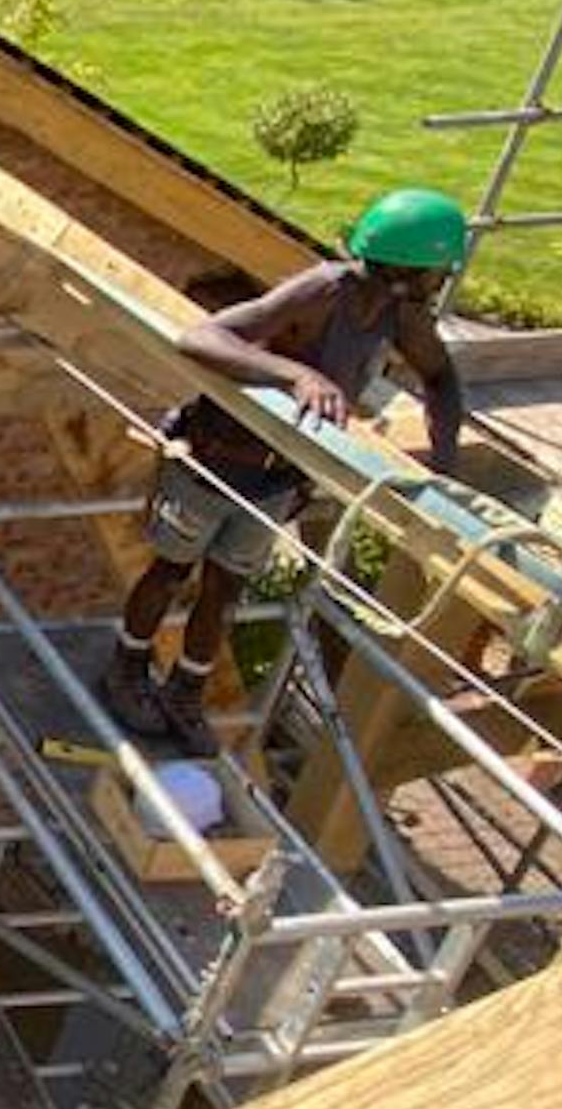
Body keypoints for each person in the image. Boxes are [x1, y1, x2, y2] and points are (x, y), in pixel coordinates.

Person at [103, 185, 473, 754]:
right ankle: (127, 671)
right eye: (437, 272)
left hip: (277, 477)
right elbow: (201, 337)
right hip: (214, 460)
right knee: (172, 571)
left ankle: (184, 692)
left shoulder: (400, 314)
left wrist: (444, 460)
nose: (441, 283)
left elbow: (441, 379)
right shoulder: (325, 291)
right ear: (408, 270)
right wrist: (292, 374)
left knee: (226, 587)